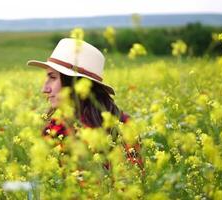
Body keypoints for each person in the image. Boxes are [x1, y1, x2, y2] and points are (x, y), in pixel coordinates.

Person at [27, 38, 143, 171]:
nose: (44, 89)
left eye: (52, 77)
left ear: (75, 83)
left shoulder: (124, 127)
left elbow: (134, 180)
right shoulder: (55, 128)